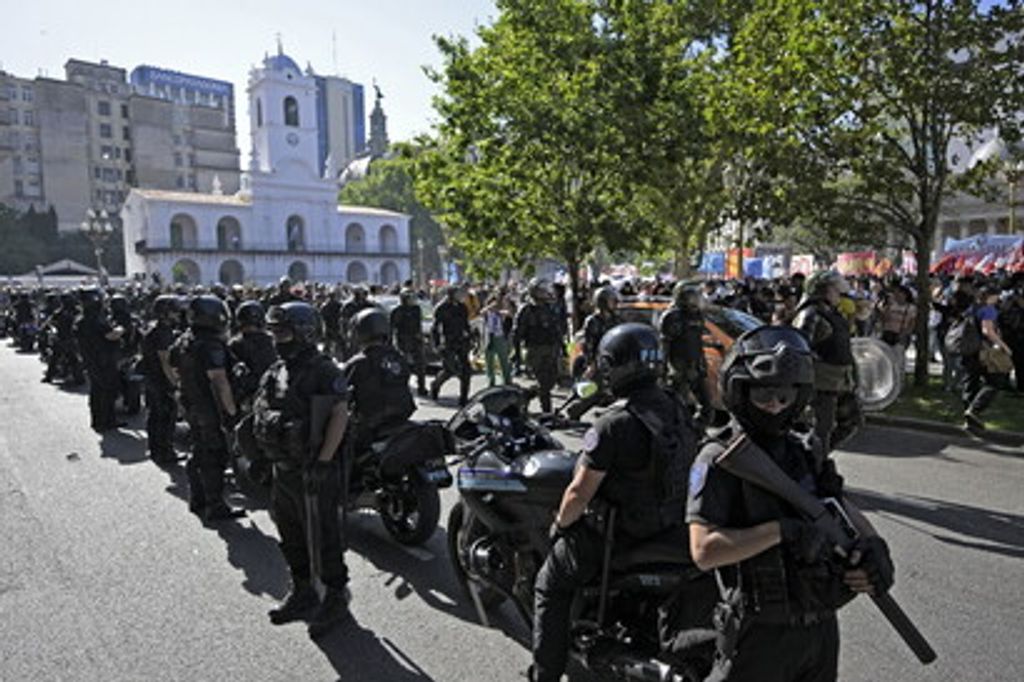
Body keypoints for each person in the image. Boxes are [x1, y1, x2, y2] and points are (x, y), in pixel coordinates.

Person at [687, 326, 895, 682]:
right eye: (763, 395)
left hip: (819, 630)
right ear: (739, 390)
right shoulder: (719, 458)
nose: (774, 405)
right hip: (759, 634)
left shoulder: (803, 450)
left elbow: (837, 506)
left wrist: (874, 548)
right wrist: (782, 532)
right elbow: (704, 550)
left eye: (784, 396)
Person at [531, 323, 698, 682]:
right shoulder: (676, 405)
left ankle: (544, 674)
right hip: (671, 524)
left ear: (613, 366)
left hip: (620, 536)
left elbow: (578, 493)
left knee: (550, 582)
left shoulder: (615, 424)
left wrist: (560, 524)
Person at [253, 302, 352, 637]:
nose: (277, 337)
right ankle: (303, 589)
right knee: (291, 533)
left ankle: (335, 596)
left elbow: (340, 415)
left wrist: (323, 462)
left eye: (283, 331)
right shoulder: (278, 369)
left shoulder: (323, 369)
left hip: (315, 469)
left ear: (305, 331)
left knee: (323, 536)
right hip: (284, 469)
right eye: (274, 331)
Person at [171, 295, 244, 522]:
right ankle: (215, 505)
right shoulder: (211, 344)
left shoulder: (185, 339)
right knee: (214, 454)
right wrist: (231, 411)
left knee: (198, 449)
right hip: (208, 408)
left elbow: (174, 369)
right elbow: (219, 380)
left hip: (190, 402)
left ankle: (198, 498)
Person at [792, 271, 859, 452]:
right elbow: (800, 347)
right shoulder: (810, 314)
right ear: (824, 290)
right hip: (822, 383)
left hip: (840, 380)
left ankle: (813, 458)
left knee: (852, 420)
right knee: (822, 429)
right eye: (834, 289)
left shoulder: (831, 312)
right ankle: (813, 465)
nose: (838, 293)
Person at [344, 308, 417, 451]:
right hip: (401, 418)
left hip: (371, 425)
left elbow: (341, 392)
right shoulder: (398, 357)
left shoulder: (358, 362)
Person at [660, 282, 712, 427]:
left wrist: (702, 362)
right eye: (694, 298)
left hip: (695, 365)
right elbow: (665, 344)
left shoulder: (697, 316)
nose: (696, 302)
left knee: (707, 407)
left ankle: (697, 432)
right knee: (677, 408)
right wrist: (663, 369)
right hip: (679, 367)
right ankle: (677, 434)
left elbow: (698, 342)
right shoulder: (672, 317)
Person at [566, 285, 621, 420]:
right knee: (594, 389)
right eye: (611, 300)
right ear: (603, 302)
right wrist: (591, 363)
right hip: (598, 360)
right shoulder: (593, 321)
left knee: (614, 389)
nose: (614, 303)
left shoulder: (615, 320)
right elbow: (588, 344)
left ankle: (610, 416)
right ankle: (574, 410)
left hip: (611, 360)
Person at [140, 295, 184, 465]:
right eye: (173, 311)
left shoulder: (154, 329)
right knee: (165, 417)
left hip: (152, 379)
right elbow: (165, 361)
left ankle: (156, 450)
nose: (176, 314)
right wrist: (175, 383)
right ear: (165, 313)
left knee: (155, 416)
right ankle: (165, 452)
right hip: (160, 381)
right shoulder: (163, 333)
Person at [74, 288, 124, 432]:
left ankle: (100, 420)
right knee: (107, 390)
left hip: (92, 360)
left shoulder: (82, 319)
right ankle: (107, 421)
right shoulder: (94, 319)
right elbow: (110, 335)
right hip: (103, 360)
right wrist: (121, 329)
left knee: (97, 390)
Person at [513, 278, 564, 414]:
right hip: (535, 349)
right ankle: (547, 411)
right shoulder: (526, 309)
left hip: (551, 347)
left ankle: (526, 394)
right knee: (543, 382)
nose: (546, 292)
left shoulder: (550, 307)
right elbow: (517, 332)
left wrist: (562, 347)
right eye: (542, 290)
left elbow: (556, 329)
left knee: (552, 380)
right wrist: (517, 354)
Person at [431, 286, 473, 405]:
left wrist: (470, 337)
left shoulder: (462, 307)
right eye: (457, 293)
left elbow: (466, 324)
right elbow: (435, 328)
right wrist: (437, 344)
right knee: (449, 370)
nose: (460, 296)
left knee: (466, 371)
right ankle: (435, 385)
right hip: (448, 342)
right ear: (450, 294)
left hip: (461, 341)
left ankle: (464, 398)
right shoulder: (441, 308)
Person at [391, 287, 428, 396]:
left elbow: (418, 324)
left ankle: (422, 387)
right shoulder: (397, 311)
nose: (412, 300)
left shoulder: (416, 309)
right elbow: (393, 328)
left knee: (421, 364)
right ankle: (403, 387)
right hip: (403, 340)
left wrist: (420, 336)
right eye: (410, 298)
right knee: (404, 365)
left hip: (415, 339)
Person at [480, 292, 514, 387]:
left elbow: (510, 314)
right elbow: (481, 313)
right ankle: (491, 380)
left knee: (504, 360)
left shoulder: (501, 313)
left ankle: (507, 380)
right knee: (489, 361)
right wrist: (490, 307)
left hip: (499, 337)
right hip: (488, 337)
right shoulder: (487, 312)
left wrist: (499, 310)